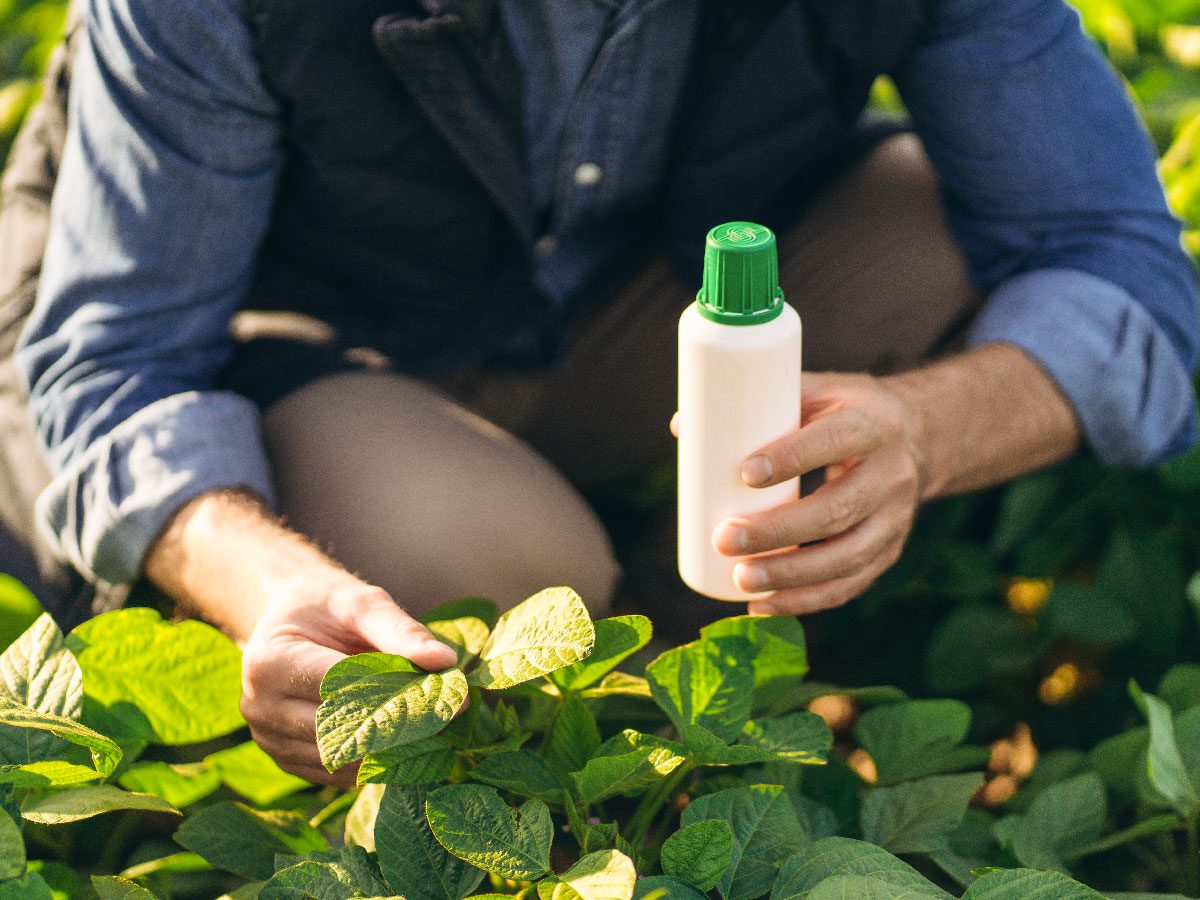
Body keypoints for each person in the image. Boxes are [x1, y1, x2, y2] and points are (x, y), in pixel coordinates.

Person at [0, 0, 1196, 785]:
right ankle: (622, 689)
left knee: (947, 248)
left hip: (611, 306)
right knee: (514, 571)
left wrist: (928, 435)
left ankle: (697, 678)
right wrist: (268, 588)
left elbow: (1122, 263)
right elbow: (121, 363)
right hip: (306, 351)